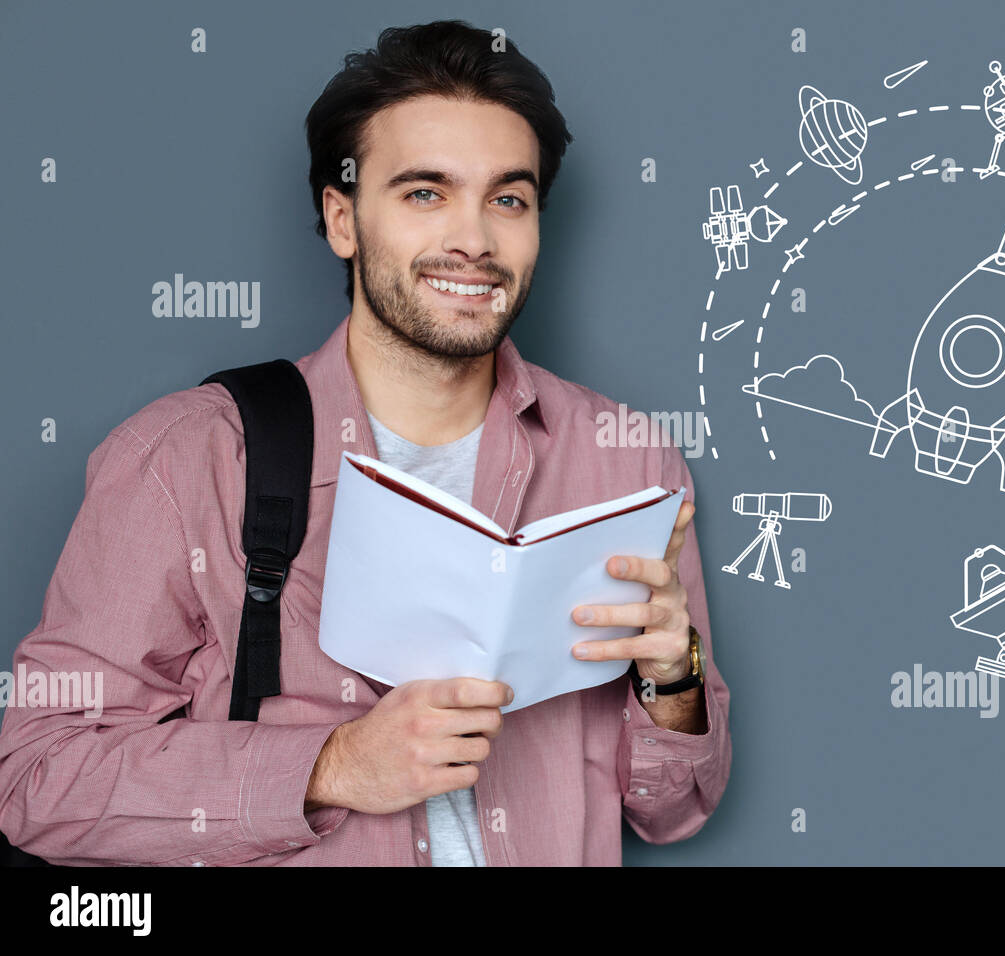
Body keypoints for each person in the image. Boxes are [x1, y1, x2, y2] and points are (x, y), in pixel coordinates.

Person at [0, 19, 730, 866]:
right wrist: (332, 765)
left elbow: (672, 814)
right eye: (425, 192)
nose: (475, 239)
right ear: (342, 219)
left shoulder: (629, 461)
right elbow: (36, 780)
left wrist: (673, 680)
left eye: (509, 198)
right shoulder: (186, 456)